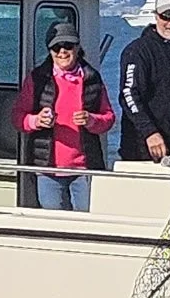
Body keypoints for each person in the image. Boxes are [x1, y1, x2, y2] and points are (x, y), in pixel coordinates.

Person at [16, 23, 116, 211]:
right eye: (56, 47)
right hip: (48, 170)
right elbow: (17, 117)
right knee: (55, 224)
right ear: (49, 50)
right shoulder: (37, 79)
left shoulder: (92, 78)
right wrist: (36, 121)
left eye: (68, 46)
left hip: (85, 169)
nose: (62, 52)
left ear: (77, 48)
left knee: (88, 222)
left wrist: (92, 120)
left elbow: (109, 118)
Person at [117, 0, 170, 163]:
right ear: (156, 16)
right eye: (166, 16)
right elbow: (129, 95)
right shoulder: (137, 52)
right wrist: (149, 131)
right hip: (143, 149)